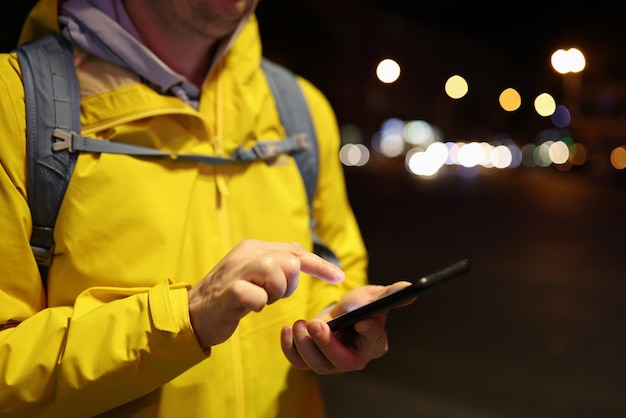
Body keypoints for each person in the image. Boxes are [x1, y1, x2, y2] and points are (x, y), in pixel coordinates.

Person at [0, 0, 411, 417]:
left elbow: (333, 262)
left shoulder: (302, 108)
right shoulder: (12, 104)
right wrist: (186, 318)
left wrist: (335, 318)